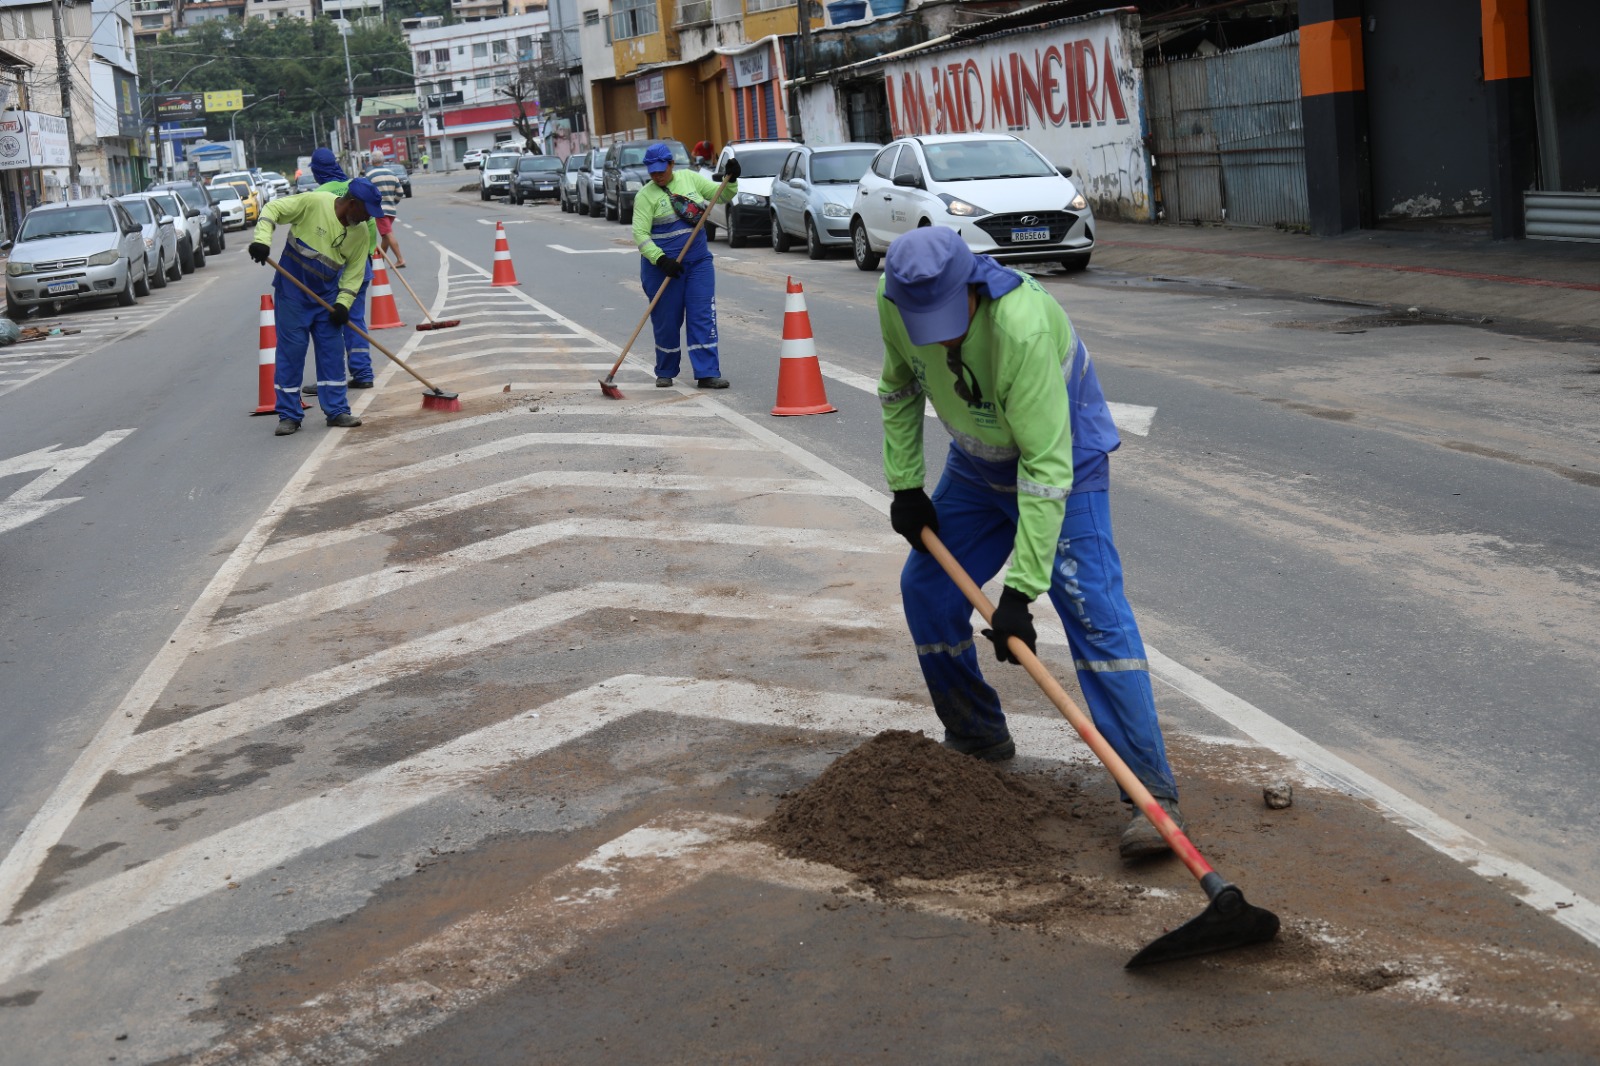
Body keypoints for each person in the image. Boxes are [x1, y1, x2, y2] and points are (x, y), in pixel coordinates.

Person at [876, 226, 1184, 860]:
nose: (940, 338)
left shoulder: (1021, 327)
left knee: (1094, 615)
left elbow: (1045, 469)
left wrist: (1020, 592)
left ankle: (1150, 796)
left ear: (971, 286)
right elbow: (900, 388)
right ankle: (976, 735)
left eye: (948, 320)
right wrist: (905, 485)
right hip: (976, 464)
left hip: (1063, 462)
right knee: (927, 588)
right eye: (924, 324)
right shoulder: (894, 300)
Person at [247, 177, 384, 436]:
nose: (368, 218)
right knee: (291, 353)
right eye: (366, 211)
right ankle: (289, 415)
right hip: (292, 294)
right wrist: (262, 241)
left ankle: (337, 410)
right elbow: (272, 209)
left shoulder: (360, 233)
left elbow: (354, 274)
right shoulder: (314, 203)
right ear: (352, 204)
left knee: (332, 354)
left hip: (327, 299)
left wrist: (343, 305)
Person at [630, 143, 740, 389]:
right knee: (666, 321)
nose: (657, 175)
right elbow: (640, 235)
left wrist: (731, 179)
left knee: (702, 316)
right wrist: (660, 259)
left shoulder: (690, 179)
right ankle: (665, 370)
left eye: (662, 169)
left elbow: (721, 195)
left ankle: (707, 372)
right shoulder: (645, 196)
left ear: (671, 164)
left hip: (698, 264)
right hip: (662, 269)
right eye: (652, 171)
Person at [308, 147, 377, 390]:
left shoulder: (319, 195)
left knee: (329, 324)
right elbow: (370, 226)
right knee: (355, 319)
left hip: (332, 270)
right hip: (360, 266)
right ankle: (363, 373)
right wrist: (367, 255)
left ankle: (332, 379)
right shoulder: (353, 186)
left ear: (317, 172)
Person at [366, 156, 406, 268]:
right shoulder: (392, 174)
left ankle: (400, 259)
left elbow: (366, 193)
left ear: (372, 161)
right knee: (385, 236)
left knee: (388, 234)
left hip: (380, 210)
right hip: (391, 210)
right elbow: (400, 192)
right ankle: (379, 261)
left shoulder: (370, 175)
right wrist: (394, 202)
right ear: (383, 161)